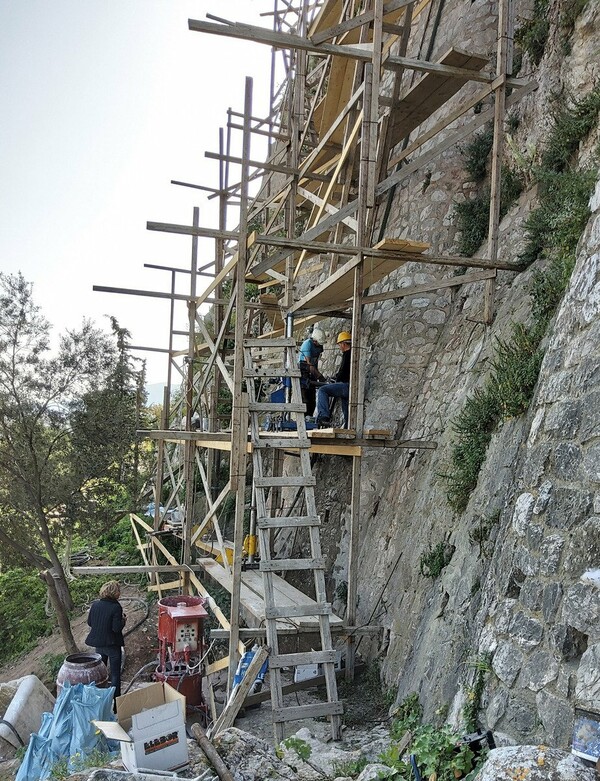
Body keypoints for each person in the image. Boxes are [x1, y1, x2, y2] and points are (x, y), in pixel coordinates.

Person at [85, 580, 126, 698]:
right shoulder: (116, 607)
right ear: (114, 593)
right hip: (112, 645)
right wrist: (123, 620)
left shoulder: (95, 605)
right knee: (115, 675)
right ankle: (116, 704)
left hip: (99, 645)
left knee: (101, 674)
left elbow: (90, 622)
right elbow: (116, 628)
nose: (120, 593)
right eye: (119, 591)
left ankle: (101, 699)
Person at [315, 331, 351, 428]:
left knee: (322, 390)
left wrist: (336, 378)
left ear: (343, 344)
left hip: (345, 385)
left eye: (339, 344)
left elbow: (343, 373)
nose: (339, 347)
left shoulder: (347, 355)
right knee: (346, 408)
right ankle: (349, 427)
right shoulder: (351, 354)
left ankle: (323, 417)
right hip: (350, 386)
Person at [298, 327, 325, 415]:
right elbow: (309, 365)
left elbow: (315, 363)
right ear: (314, 341)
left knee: (312, 399)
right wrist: (320, 377)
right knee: (304, 398)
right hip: (303, 372)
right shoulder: (307, 344)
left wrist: (317, 375)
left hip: (312, 373)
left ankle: (310, 417)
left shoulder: (319, 346)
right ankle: (304, 419)